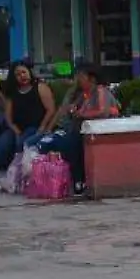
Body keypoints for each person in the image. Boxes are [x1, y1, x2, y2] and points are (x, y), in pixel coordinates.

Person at [34, 63, 120, 198]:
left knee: (70, 145)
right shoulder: (84, 94)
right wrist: (73, 110)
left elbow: (102, 112)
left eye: (81, 77)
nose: (78, 80)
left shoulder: (100, 91)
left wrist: (81, 114)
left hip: (93, 133)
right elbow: (71, 108)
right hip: (78, 131)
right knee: (53, 143)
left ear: (92, 79)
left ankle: (79, 180)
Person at [0, 59, 56, 168]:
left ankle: (18, 172)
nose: (22, 76)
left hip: (35, 126)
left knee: (21, 143)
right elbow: (8, 116)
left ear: (29, 72)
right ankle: (4, 173)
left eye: (23, 72)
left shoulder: (40, 87)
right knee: (2, 145)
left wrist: (43, 127)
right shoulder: (12, 93)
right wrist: (15, 129)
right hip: (16, 127)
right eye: (18, 74)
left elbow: (51, 109)